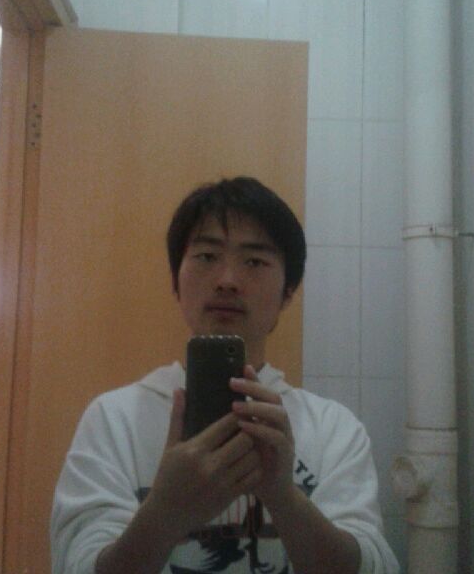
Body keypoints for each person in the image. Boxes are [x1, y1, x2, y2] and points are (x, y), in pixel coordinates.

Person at [50, 177, 400, 574]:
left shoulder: (334, 429)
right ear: (176, 281)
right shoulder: (114, 419)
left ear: (288, 291)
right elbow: (77, 563)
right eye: (206, 256)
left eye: (254, 262)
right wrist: (164, 514)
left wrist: (283, 498)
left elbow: (373, 566)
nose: (227, 280)